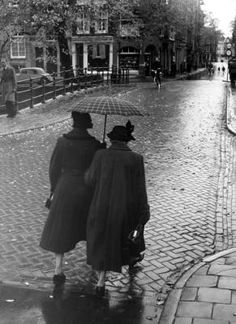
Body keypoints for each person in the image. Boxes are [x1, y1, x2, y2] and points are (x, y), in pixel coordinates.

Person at [85, 121, 150, 297]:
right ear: (127, 141)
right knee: (120, 241)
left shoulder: (100, 155)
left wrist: (99, 153)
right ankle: (129, 269)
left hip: (100, 206)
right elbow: (140, 189)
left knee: (101, 242)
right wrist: (144, 212)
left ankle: (100, 281)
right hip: (124, 210)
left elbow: (89, 180)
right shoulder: (136, 159)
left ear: (112, 140)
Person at [40, 111, 104, 285]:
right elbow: (98, 171)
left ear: (73, 123)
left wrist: (54, 189)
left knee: (61, 227)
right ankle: (95, 268)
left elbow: (54, 168)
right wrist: (102, 150)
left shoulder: (62, 142)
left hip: (65, 188)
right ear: (87, 125)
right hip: (86, 190)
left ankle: (58, 269)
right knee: (89, 227)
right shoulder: (94, 145)